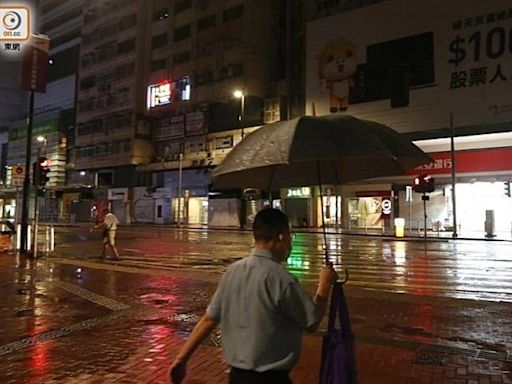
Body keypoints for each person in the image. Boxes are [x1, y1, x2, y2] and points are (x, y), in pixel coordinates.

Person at [169, 208, 337, 384]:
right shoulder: (282, 280)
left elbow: (209, 319)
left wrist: (182, 359)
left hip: (236, 378)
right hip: (272, 379)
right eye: (290, 237)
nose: (290, 244)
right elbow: (311, 321)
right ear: (281, 236)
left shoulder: (232, 272)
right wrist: (324, 284)